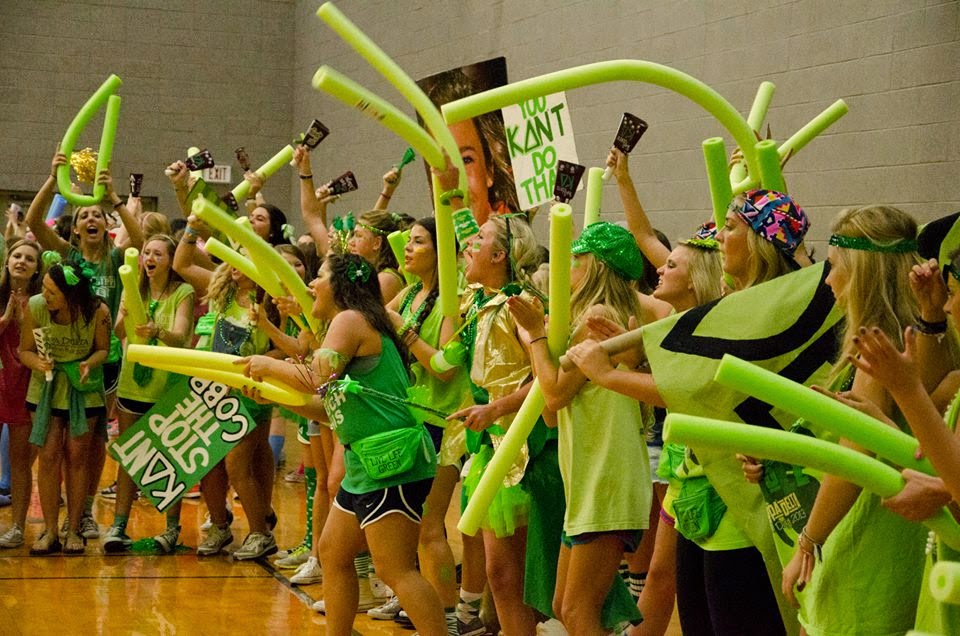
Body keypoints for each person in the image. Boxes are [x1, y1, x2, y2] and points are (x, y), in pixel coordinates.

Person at [240, 252, 446, 636]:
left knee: (395, 569)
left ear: (340, 285)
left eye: (318, 276)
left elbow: (316, 377)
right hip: (365, 464)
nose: (311, 284)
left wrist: (269, 366)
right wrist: (272, 395)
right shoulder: (354, 322)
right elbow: (327, 408)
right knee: (333, 553)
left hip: (390, 462)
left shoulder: (349, 319)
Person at [780, 205, 929, 635]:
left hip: (871, 532)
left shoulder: (877, 346)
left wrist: (808, 541)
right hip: (908, 531)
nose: (827, 280)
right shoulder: (925, 333)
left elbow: (853, 461)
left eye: (834, 267)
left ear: (862, 273)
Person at [508, 222, 651, 635]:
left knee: (577, 610)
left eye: (576, 259)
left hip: (607, 477)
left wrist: (535, 336)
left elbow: (552, 396)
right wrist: (542, 340)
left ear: (596, 266)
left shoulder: (598, 315)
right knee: (562, 605)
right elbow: (553, 415)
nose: (566, 266)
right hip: (590, 477)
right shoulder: (586, 318)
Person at [25, 147, 145, 541]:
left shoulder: (116, 257)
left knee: (93, 441)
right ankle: (66, 512)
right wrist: (52, 179)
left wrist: (114, 198)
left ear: (107, 225)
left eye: (97, 215)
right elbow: (33, 223)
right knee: (61, 443)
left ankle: (85, 511)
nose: (91, 219)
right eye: (83, 216)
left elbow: (141, 239)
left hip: (104, 359)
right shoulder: (69, 256)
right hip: (65, 360)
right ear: (75, 229)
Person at [174, 216, 278, 559]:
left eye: (242, 258)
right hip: (210, 391)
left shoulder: (270, 299)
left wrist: (260, 363)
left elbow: (288, 347)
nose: (234, 264)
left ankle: (260, 533)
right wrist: (193, 227)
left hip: (248, 393)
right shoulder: (223, 291)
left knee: (237, 465)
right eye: (232, 257)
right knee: (208, 464)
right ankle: (220, 525)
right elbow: (182, 263)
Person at [101, 234, 195, 553]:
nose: (150, 258)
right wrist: (126, 312)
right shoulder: (133, 289)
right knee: (130, 458)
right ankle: (118, 525)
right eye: (146, 252)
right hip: (133, 383)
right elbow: (117, 333)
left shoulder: (183, 292)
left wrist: (158, 330)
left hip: (167, 385)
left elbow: (181, 336)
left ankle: (171, 528)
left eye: (158, 253)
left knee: (171, 458)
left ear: (170, 261)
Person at [20, 259, 111, 555]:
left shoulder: (98, 311)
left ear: (71, 295)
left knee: (77, 456)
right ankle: (49, 530)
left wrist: (89, 363)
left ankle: (73, 529)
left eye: (52, 292)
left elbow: (103, 349)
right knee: (47, 457)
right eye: (44, 288)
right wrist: (38, 363)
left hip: (82, 388)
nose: (45, 295)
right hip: (46, 387)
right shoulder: (35, 306)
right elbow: (24, 350)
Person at [0, 239, 43, 548]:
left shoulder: (42, 302)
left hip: (25, 384)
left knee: (20, 462)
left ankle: (17, 527)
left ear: (37, 269)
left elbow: (45, 343)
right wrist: (5, 320)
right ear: (7, 261)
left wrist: (24, 321)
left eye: (29, 258)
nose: (22, 261)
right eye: (17, 255)